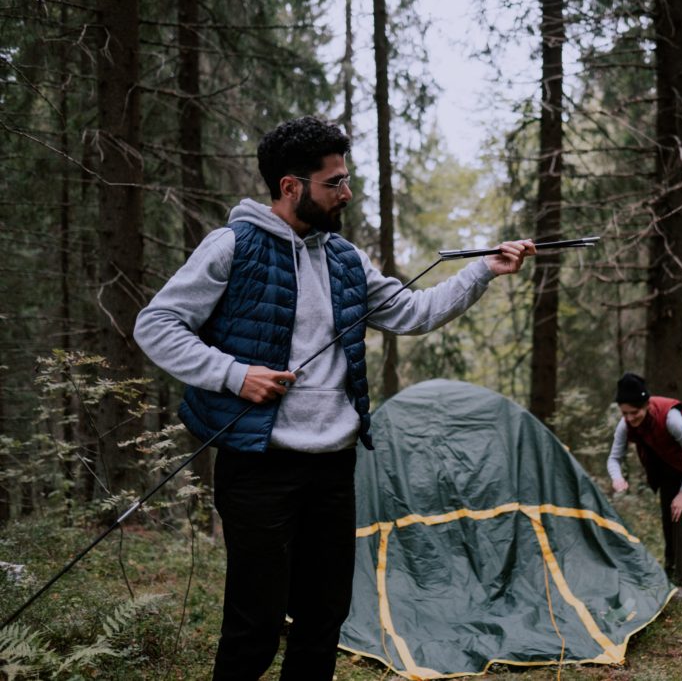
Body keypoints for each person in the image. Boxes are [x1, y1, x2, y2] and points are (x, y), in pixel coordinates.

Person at [133, 115, 535, 681]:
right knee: (256, 623)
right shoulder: (232, 245)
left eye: (347, 179)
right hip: (258, 465)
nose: (346, 193)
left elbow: (411, 312)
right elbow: (158, 324)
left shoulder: (345, 258)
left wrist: (484, 270)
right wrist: (234, 373)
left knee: (324, 619)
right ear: (291, 186)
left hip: (333, 467)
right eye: (334, 182)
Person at [606, 372, 682, 600]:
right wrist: (617, 478)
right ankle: (669, 573)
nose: (631, 418)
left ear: (646, 405)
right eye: (625, 413)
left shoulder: (670, 418)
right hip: (670, 472)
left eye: (635, 412)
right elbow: (614, 458)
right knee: (668, 519)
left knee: (680, 518)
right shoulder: (625, 425)